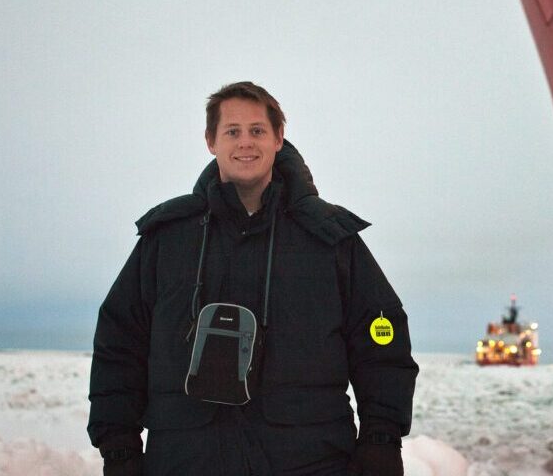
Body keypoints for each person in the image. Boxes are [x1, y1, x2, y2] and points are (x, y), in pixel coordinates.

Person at [88, 81, 418, 475]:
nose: (246, 142)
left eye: (258, 130)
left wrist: (381, 439)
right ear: (211, 141)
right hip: (186, 460)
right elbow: (120, 341)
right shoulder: (168, 239)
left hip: (309, 461)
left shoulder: (329, 240)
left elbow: (381, 338)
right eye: (232, 131)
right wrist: (119, 446)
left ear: (279, 138)